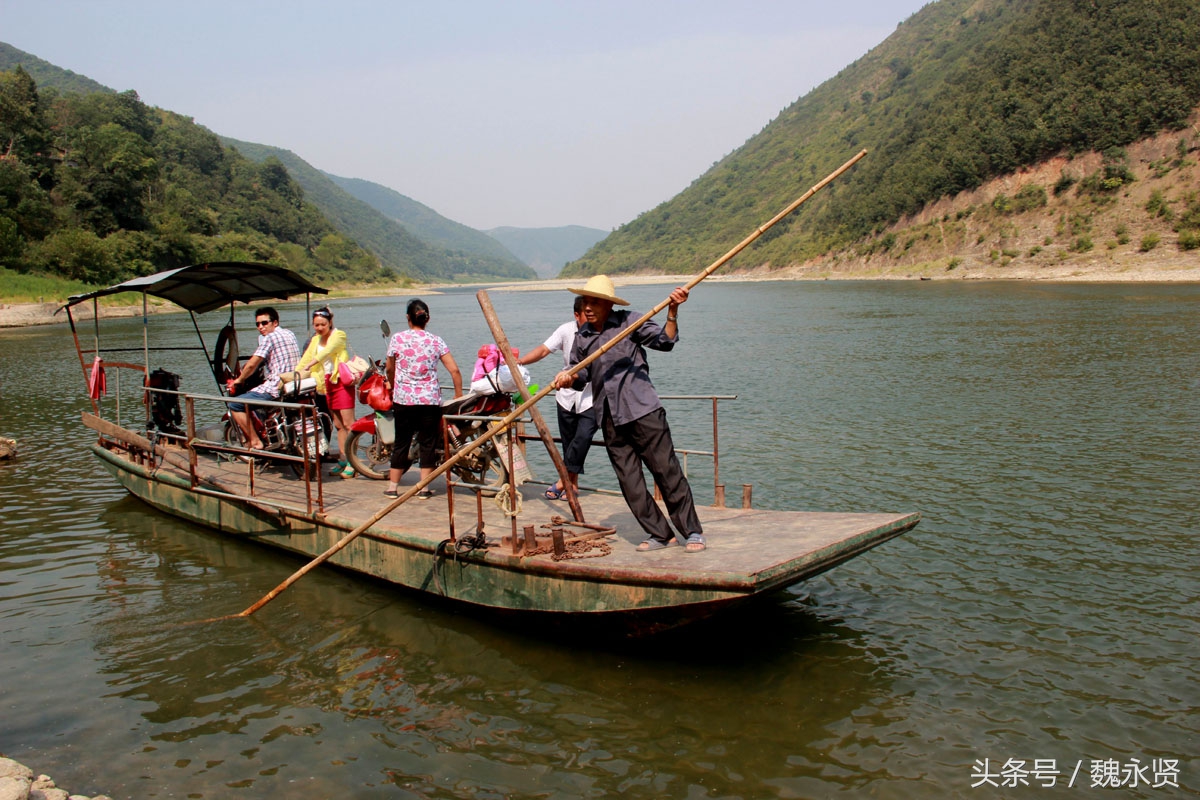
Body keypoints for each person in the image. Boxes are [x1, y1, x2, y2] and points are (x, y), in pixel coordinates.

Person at [552, 275, 705, 553]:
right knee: (630, 480)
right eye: (586, 301)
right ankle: (660, 534)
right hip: (608, 417)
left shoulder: (630, 321)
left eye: (595, 302)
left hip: (643, 410)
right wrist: (566, 378)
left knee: (666, 472)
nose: (588, 307)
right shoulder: (583, 336)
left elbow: (666, 342)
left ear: (609, 305)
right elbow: (581, 374)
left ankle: (691, 531)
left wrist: (672, 311)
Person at [383, 299, 463, 499]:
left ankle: (393, 487)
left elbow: (390, 368)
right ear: (428, 319)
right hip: (429, 401)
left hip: (404, 400)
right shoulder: (436, 341)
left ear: (408, 318)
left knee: (402, 441)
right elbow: (454, 370)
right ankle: (424, 488)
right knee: (428, 443)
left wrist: (392, 384)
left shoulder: (397, 339)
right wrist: (458, 395)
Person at [519, 296, 596, 500]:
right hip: (566, 395)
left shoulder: (601, 332)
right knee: (569, 442)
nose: (589, 319)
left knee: (583, 438)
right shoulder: (566, 330)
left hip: (591, 396)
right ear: (576, 315)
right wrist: (519, 361)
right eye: (585, 315)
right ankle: (573, 485)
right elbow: (544, 349)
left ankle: (563, 481)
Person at [295, 306, 357, 478]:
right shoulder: (315, 340)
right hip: (326, 386)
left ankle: (353, 464)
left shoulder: (339, 335)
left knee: (349, 424)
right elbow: (305, 359)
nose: (320, 328)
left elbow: (329, 350)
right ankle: (343, 460)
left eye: (323, 324)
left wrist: (311, 363)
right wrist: (294, 375)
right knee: (337, 425)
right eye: (316, 325)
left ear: (330, 322)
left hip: (342, 384)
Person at [227, 306, 300, 451]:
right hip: (296, 382)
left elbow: (252, 364)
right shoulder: (289, 333)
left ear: (275, 323)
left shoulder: (269, 338)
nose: (261, 327)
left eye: (264, 323)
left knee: (235, 405)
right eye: (258, 324)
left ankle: (255, 442)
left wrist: (239, 380)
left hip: (277, 386)